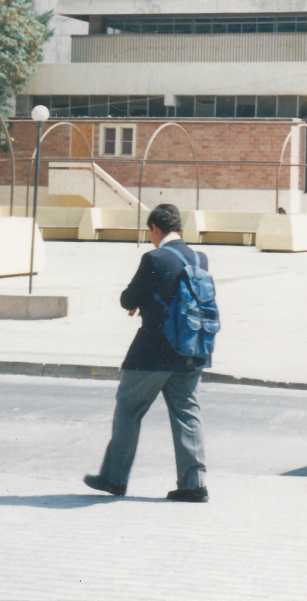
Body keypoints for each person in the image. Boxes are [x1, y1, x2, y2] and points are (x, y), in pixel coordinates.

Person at [84, 203, 212, 503]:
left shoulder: (154, 258)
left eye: (151, 232)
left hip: (152, 352)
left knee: (129, 409)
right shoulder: (200, 258)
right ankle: (194, 485)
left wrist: (141, 302)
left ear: (155, 229)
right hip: (192, 349)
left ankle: (114, 478)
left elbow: (128, 298)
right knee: (187, 413)